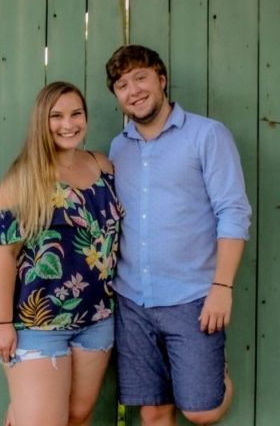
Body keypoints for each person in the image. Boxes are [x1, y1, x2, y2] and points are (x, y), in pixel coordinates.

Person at [105, 45, 252, 426]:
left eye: (141, 78)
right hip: (132, 298)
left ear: (161, 79)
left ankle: (205, 369)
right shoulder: (119, 148)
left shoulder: (207, 135)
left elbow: (233, 212)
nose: (133, 90)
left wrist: (222, 286)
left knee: (202, 411)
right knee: (153, 411)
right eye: (122, 84)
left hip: (192, 296)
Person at [0, 81, 124, 426]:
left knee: (78, 417)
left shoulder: (103, 167)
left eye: (76, 114)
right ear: (41, 122)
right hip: (38, 324)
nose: (68, 124)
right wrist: (1, 324)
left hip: (97, 318)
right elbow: (2, 258)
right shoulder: (21, 182)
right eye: (57, 116)